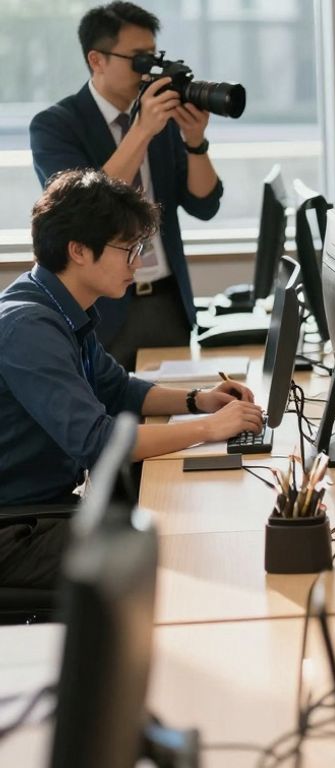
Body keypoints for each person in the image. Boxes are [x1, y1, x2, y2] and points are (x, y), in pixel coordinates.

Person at [0, 170, 263, 584]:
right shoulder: (29, 328)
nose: (138, 263)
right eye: (129, 249)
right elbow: (100, 443)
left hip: (45, 509)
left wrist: (199, 400)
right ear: (79, 251)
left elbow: (117, 387)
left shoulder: (57, 304)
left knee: (176, 517)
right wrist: (209, 428)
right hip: (15, 533)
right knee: (173, 545)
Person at [29, 1, 225, 368]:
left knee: (174, 412)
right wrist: (141, 131)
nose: (149, 70)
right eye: (138, 59)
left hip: (167, 302)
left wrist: (195, 141)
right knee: (108, 420)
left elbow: (205, 204)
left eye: (154, 57)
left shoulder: (160, 121)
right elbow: (85, 207)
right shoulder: (54, 125)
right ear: (97, 60)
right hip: (100, 311)